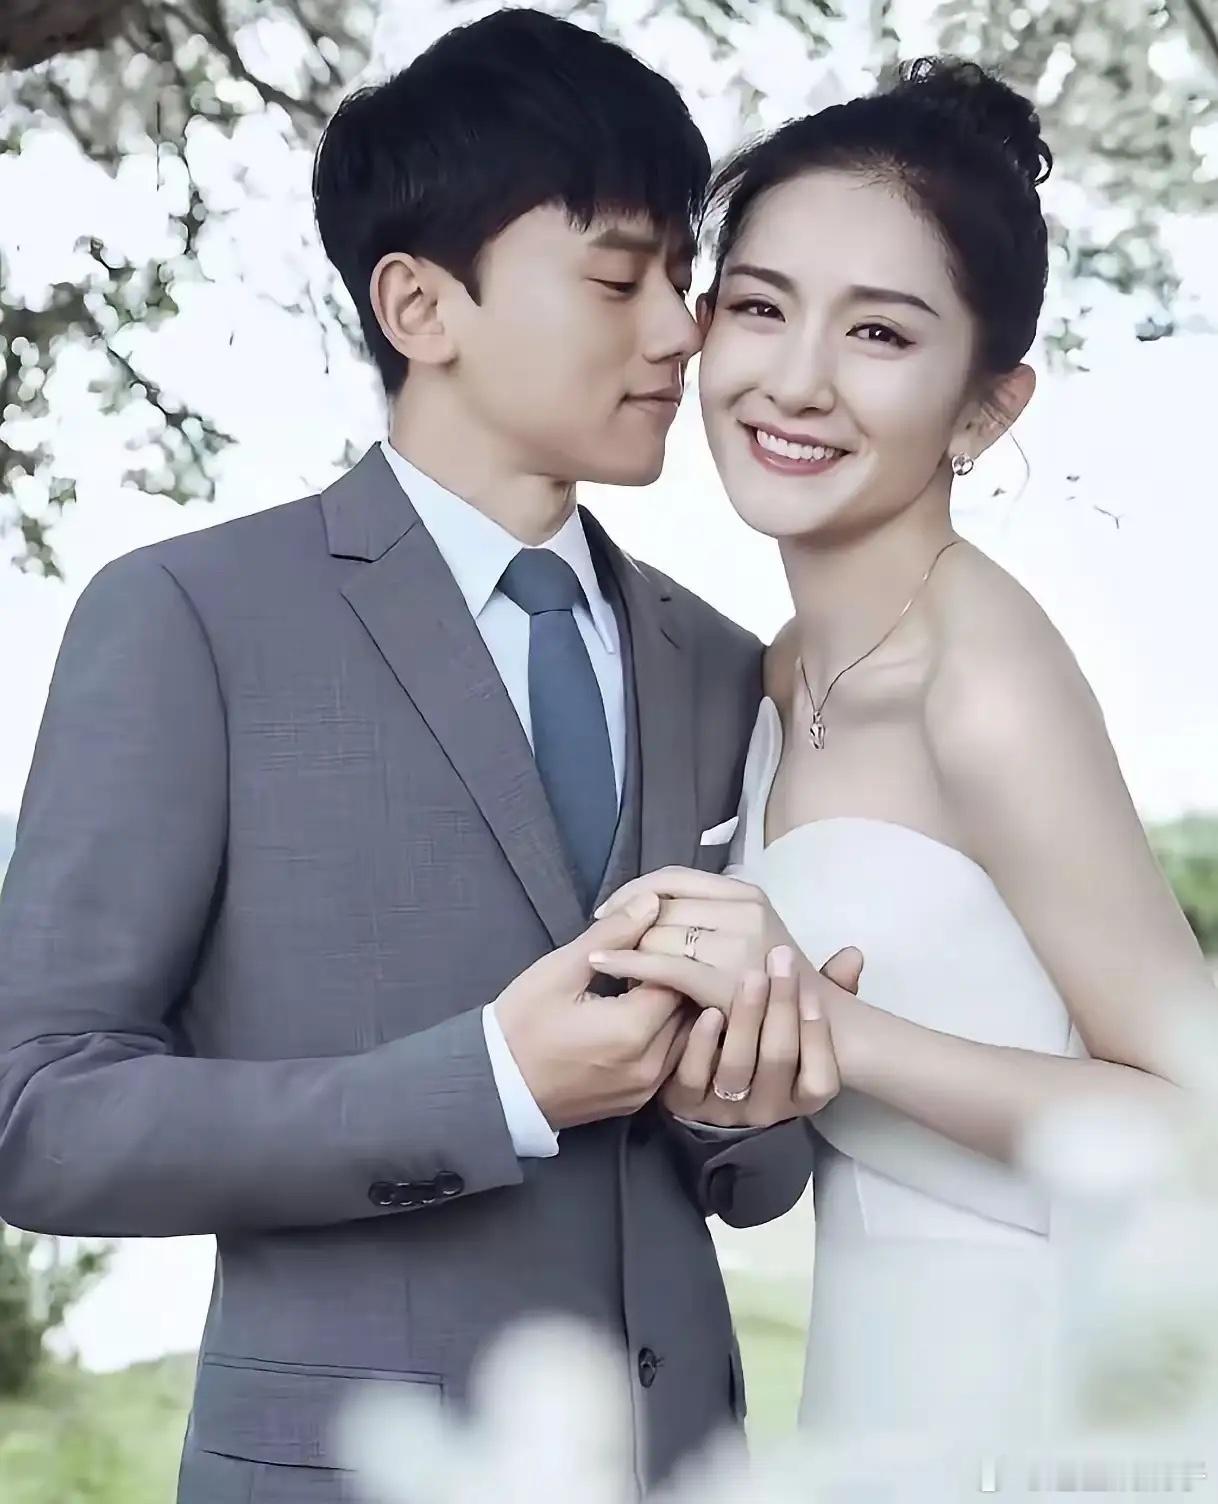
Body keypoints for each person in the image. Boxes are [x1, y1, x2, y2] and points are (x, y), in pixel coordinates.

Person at [0, 13, 849, 1502]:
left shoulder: (726, 663)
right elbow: (37, 1115)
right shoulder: (191, 617)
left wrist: (742, 1109)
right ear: (418, 304)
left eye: (683, 278)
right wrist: (486, 1083)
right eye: (618, 278)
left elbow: (752, 1180)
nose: (680, 331)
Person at [590, 57, 1213, 1493]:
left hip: (1042, 1408)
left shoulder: (978, 686)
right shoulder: (777, 675)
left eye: (878, 332)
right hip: (877, 1383)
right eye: (760, 306)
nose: (795, 379)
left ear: (983, 409)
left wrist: (834, 1031)